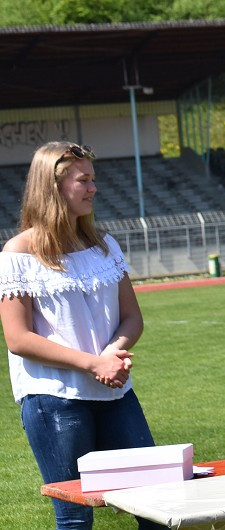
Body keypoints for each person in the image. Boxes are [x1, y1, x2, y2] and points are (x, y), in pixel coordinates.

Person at [0, 142, 165, 530]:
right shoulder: (18, 253)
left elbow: (132, 317)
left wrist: (114, 353)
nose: (93, 188)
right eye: (83, 180)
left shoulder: (105, 245)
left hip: (114, 393)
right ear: (52, 186)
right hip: (54, 401)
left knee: (158, 502)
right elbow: (18, 338)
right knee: (75, 517)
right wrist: (96, 363)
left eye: (93, 179)